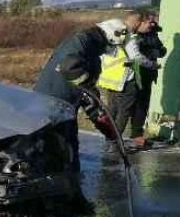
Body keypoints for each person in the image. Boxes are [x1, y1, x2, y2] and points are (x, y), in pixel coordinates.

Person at [34, 18, 127, 171]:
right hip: (52, 104)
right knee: (56, 149)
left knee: (67, 150)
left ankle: (68, 184)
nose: (109, 50)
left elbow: (86, 92)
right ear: (110, 35)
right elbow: (69, 67)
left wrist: (105, 124)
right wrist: (90, 89)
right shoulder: (82, 41)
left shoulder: (91, 49)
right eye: (111, 45)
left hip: (65, 106)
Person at [97, 11, 156, 151]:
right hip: (125, 79)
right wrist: (152, 64)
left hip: (110, 79)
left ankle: (109, 139)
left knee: (112, 110)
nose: (151, 26)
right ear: (138, 22)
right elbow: (136, 57)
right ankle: (115, 143)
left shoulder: (114, 34)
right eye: (148, 23)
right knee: (124, 111)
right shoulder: (128, 36)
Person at [130, 14, 167, 147]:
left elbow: (162, 50)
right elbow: (134, 54)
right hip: (136, 72)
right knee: (132, 104)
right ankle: (119, 136)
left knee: (143, 104)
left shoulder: (153, 34)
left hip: (149, 73)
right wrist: (152, 53)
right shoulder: (133, 35)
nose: (152, 24)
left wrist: (157, 52)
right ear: (141, 22)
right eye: (150, 22)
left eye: (153, 22)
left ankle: (137, 134)